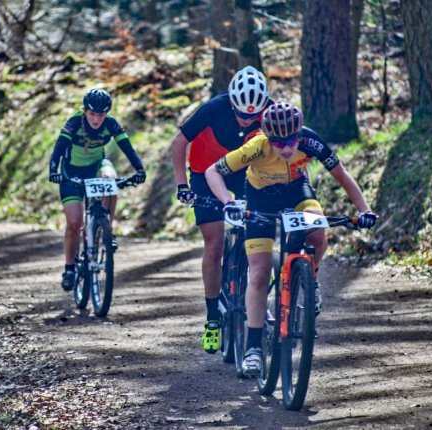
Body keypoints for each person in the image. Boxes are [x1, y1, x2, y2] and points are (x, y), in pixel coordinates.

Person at [204, 101, 377, 377]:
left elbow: (341, 176)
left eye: (292, 139)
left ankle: (308, 278)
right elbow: (212, 171)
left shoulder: (310, 141)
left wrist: (364, 210)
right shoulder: (256, 147)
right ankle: (253, 349)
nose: (286, 147)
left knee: (318, 235)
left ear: (300, 132)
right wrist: (228, 201)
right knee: (259, 274)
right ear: (267, 137)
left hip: (298, 192)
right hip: (260, 198)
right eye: (278, 142)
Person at [170, 66, 273, 354]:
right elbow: (179, 142)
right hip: (204, 174)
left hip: (243, 173)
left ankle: (254, 296)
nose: (246, 119)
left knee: (256, 240)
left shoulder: (271, 111)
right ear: (231, 103)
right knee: (214, 244)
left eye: (252, 116)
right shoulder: (215, 107)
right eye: (241, 114)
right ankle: (213, 318)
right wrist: (182, 185)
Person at [49, 88, 146, 291]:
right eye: (92, 114)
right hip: (70, 172)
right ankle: (69, 268)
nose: (96, 119)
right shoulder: (75, 122)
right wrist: (53, 171)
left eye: (100, 115)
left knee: (110, 180)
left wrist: (139, 169)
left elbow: (127, 147)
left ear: (106, 114)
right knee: (75, 222)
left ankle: (107, 229)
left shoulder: (110, 124)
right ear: (85, 111)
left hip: (96, 168)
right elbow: (59, 147)